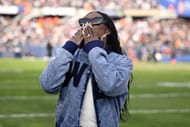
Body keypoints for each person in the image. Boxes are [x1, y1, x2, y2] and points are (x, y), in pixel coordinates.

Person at [40, 10, 133, 127]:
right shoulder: (71, 56)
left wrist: (94, 49)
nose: (89, 25)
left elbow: (110, 86)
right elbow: (48, 85)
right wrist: (68, 48)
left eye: (95, 21)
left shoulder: (122, 61)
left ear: (108, 30)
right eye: (84, 22)